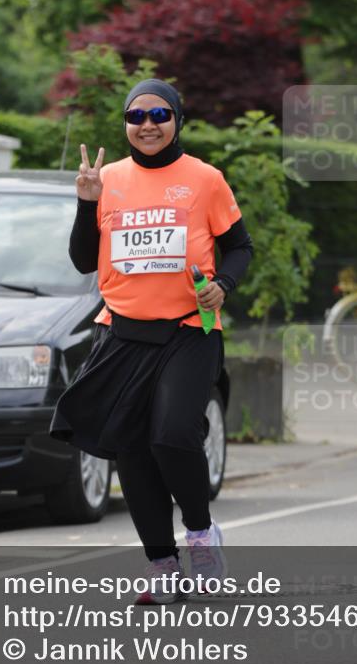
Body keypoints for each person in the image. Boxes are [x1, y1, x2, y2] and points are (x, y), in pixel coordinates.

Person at [50, 78, 253, 604]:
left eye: (159, 114)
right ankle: (162, 564)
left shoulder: (205, 180)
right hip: (120, 331)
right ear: (125, 124)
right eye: (135, 116)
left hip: (189, 328)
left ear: (177, 119)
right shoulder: (107, 179)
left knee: (171, 435)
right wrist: (84, 202)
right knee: (132, 449)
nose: (147, 125)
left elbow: (239, 248)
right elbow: (81, 260)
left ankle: (203, 536)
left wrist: (223, 286)